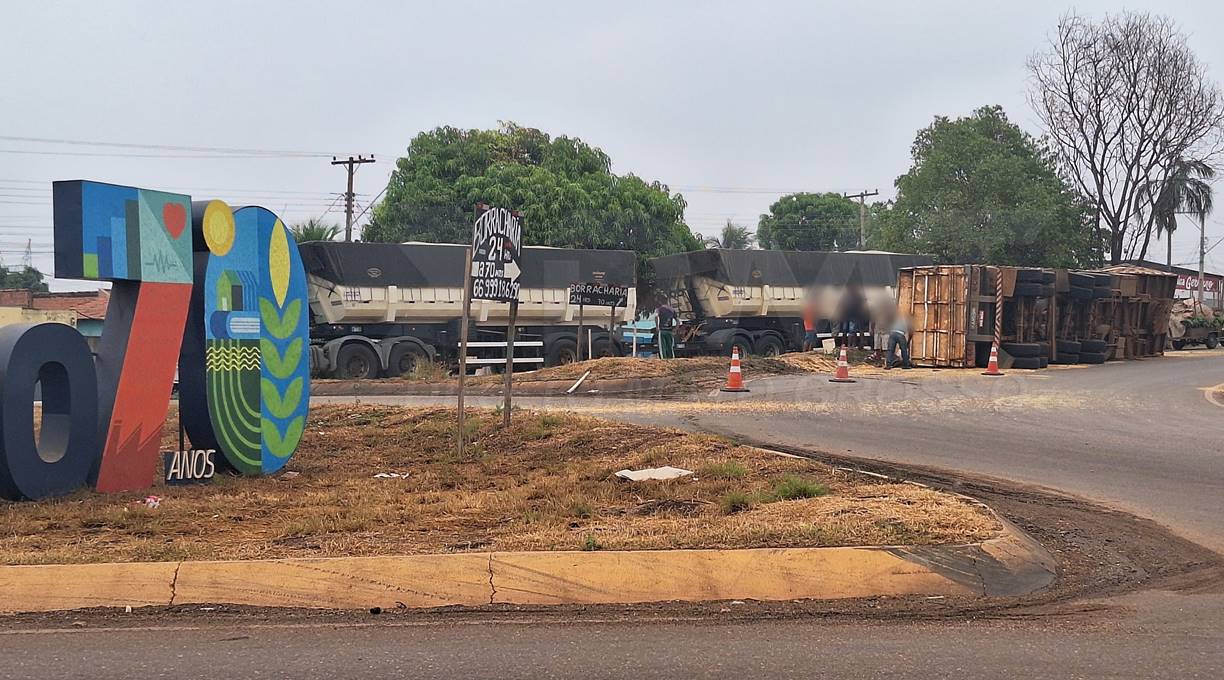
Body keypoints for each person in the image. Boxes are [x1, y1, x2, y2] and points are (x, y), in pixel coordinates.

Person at [655, 295, 677, 359]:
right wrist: (675, 329)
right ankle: (671, 359)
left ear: (660, 301)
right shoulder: (672, 310)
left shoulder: (659, 309)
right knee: (670, 347)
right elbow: (678, 321)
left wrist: (657, 327)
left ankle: (664, 360)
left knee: (662, 347)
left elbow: (656, 316)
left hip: (662, 331)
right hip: (670, 331)